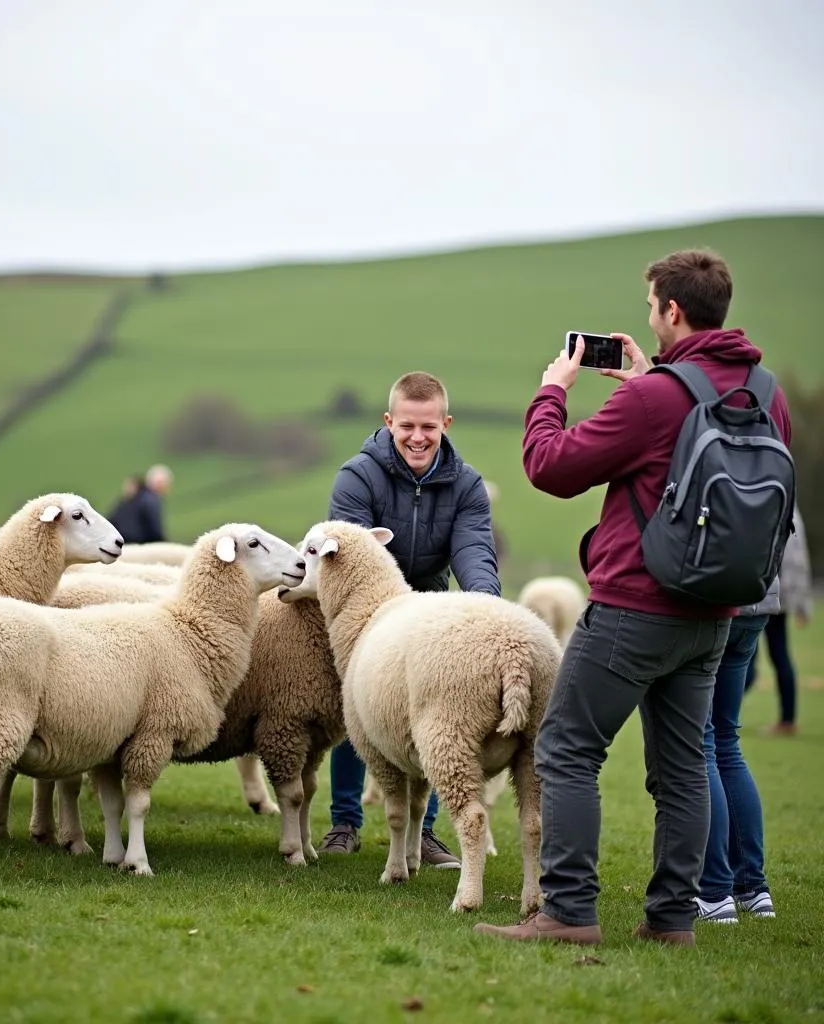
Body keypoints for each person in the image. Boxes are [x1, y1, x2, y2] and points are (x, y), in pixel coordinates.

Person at [474, 248, 791, 947]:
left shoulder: (653, 398)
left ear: (672, 310)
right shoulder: (765, 392)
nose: (649, 318)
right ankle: (673, 919)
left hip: (634, 608)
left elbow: (551, 467)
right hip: (717, 612)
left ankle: (567, 911)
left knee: (566, 748)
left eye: (652, 307)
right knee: (682, 768)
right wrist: (655, 381)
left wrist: (552, 391)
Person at [316, 370, 502, 869]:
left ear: (446, 423)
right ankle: (345, 821)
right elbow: (352, 554)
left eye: (429, 427)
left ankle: (429, 831)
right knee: (360, 705)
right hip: (369, 610)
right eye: (407, 427)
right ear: (389, 422)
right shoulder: (358, 476)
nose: (417, 437)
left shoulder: (464, 485)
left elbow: (474, 548)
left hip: (429, 606)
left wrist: (484, 606)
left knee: (437, 717)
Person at [696, 581, 779, 925]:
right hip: (756, 601)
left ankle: (715, 892)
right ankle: (751, 888)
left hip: (710, 604)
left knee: (701, 742)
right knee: (727, 741)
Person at [744, 503, 813, 736]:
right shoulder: (792, 507)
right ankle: (788, 720)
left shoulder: (768, 499)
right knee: (778, 655)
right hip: (779, 594)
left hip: (763, 593)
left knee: (746, 660)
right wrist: (802, 606)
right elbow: (800, 560)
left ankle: (715, 713)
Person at [107, 464, 173, 543]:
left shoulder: (128, 499)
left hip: (119, 543)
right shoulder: (151, 500)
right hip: (137, 545)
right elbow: (155, 531)